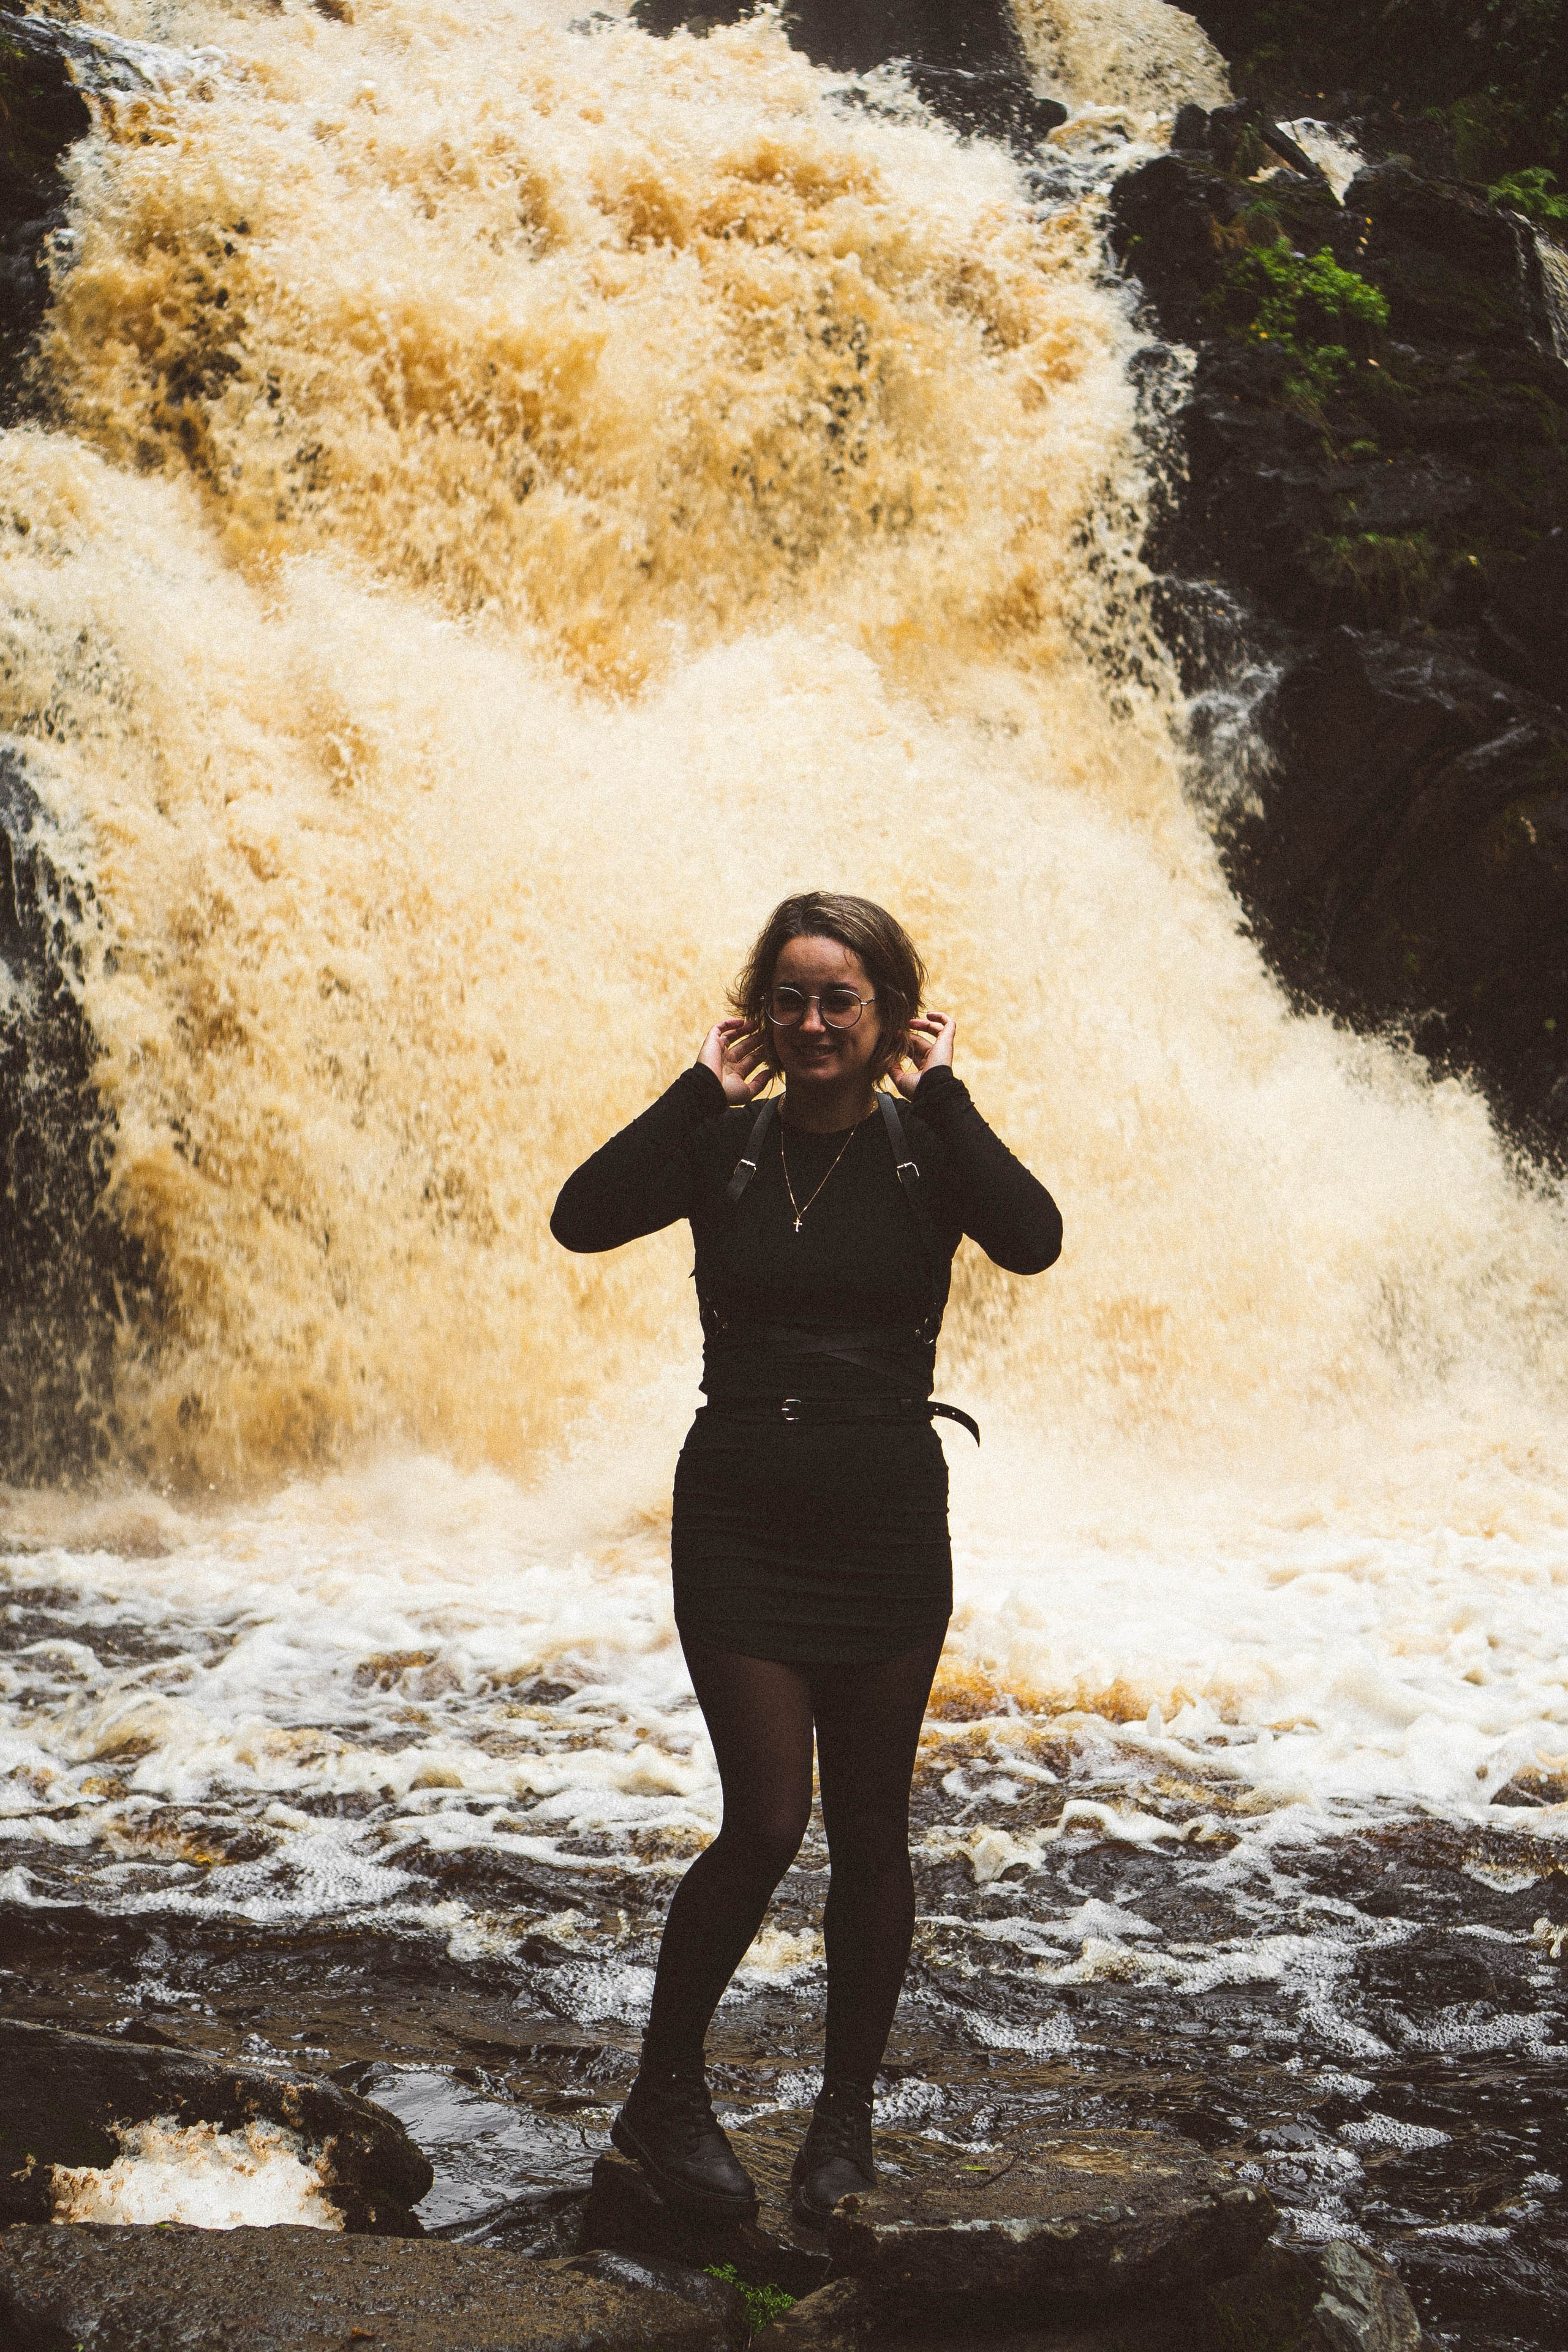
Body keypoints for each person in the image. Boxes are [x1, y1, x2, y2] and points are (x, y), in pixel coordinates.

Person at [550, 892, 1061, 2225]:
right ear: (759, 1015)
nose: (814, 1021)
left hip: (886, 1512)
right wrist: (688, 1094)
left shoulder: (923, 1151)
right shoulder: (719, 1149)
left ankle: (843, 2128)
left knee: (874, 1831)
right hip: (741, 1513)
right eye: (790, 998)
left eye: (841, 999)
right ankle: (664, 2093)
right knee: (769, 1821)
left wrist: (945, 1099)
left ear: (888, 1016)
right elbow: (579, 1218)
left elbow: (1032, 1237)